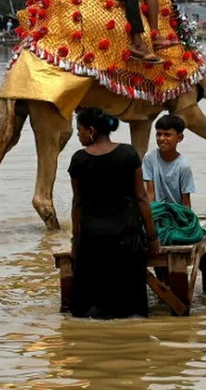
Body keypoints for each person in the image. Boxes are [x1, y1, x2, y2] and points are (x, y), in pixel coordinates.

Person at [68, 107, 161, 318]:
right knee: (130, 308)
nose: (78, 134)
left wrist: (76, 239)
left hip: (93, 239)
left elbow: (78, 203)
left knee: (88, 309)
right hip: (126, 237)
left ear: (91, 130)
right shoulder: (128, 153)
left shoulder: (79, 160)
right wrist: (152, 236)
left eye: (79, 130)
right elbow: (141, 198)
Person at [142, 114, 195, 208]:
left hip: (176, 213)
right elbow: (150, 193)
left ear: (179, 138)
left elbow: (186, 201)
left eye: (167, 135)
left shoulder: (183, 166)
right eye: (159, 134)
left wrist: (186, 220)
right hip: (157, 210)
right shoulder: (150, 157)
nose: (162, 138)